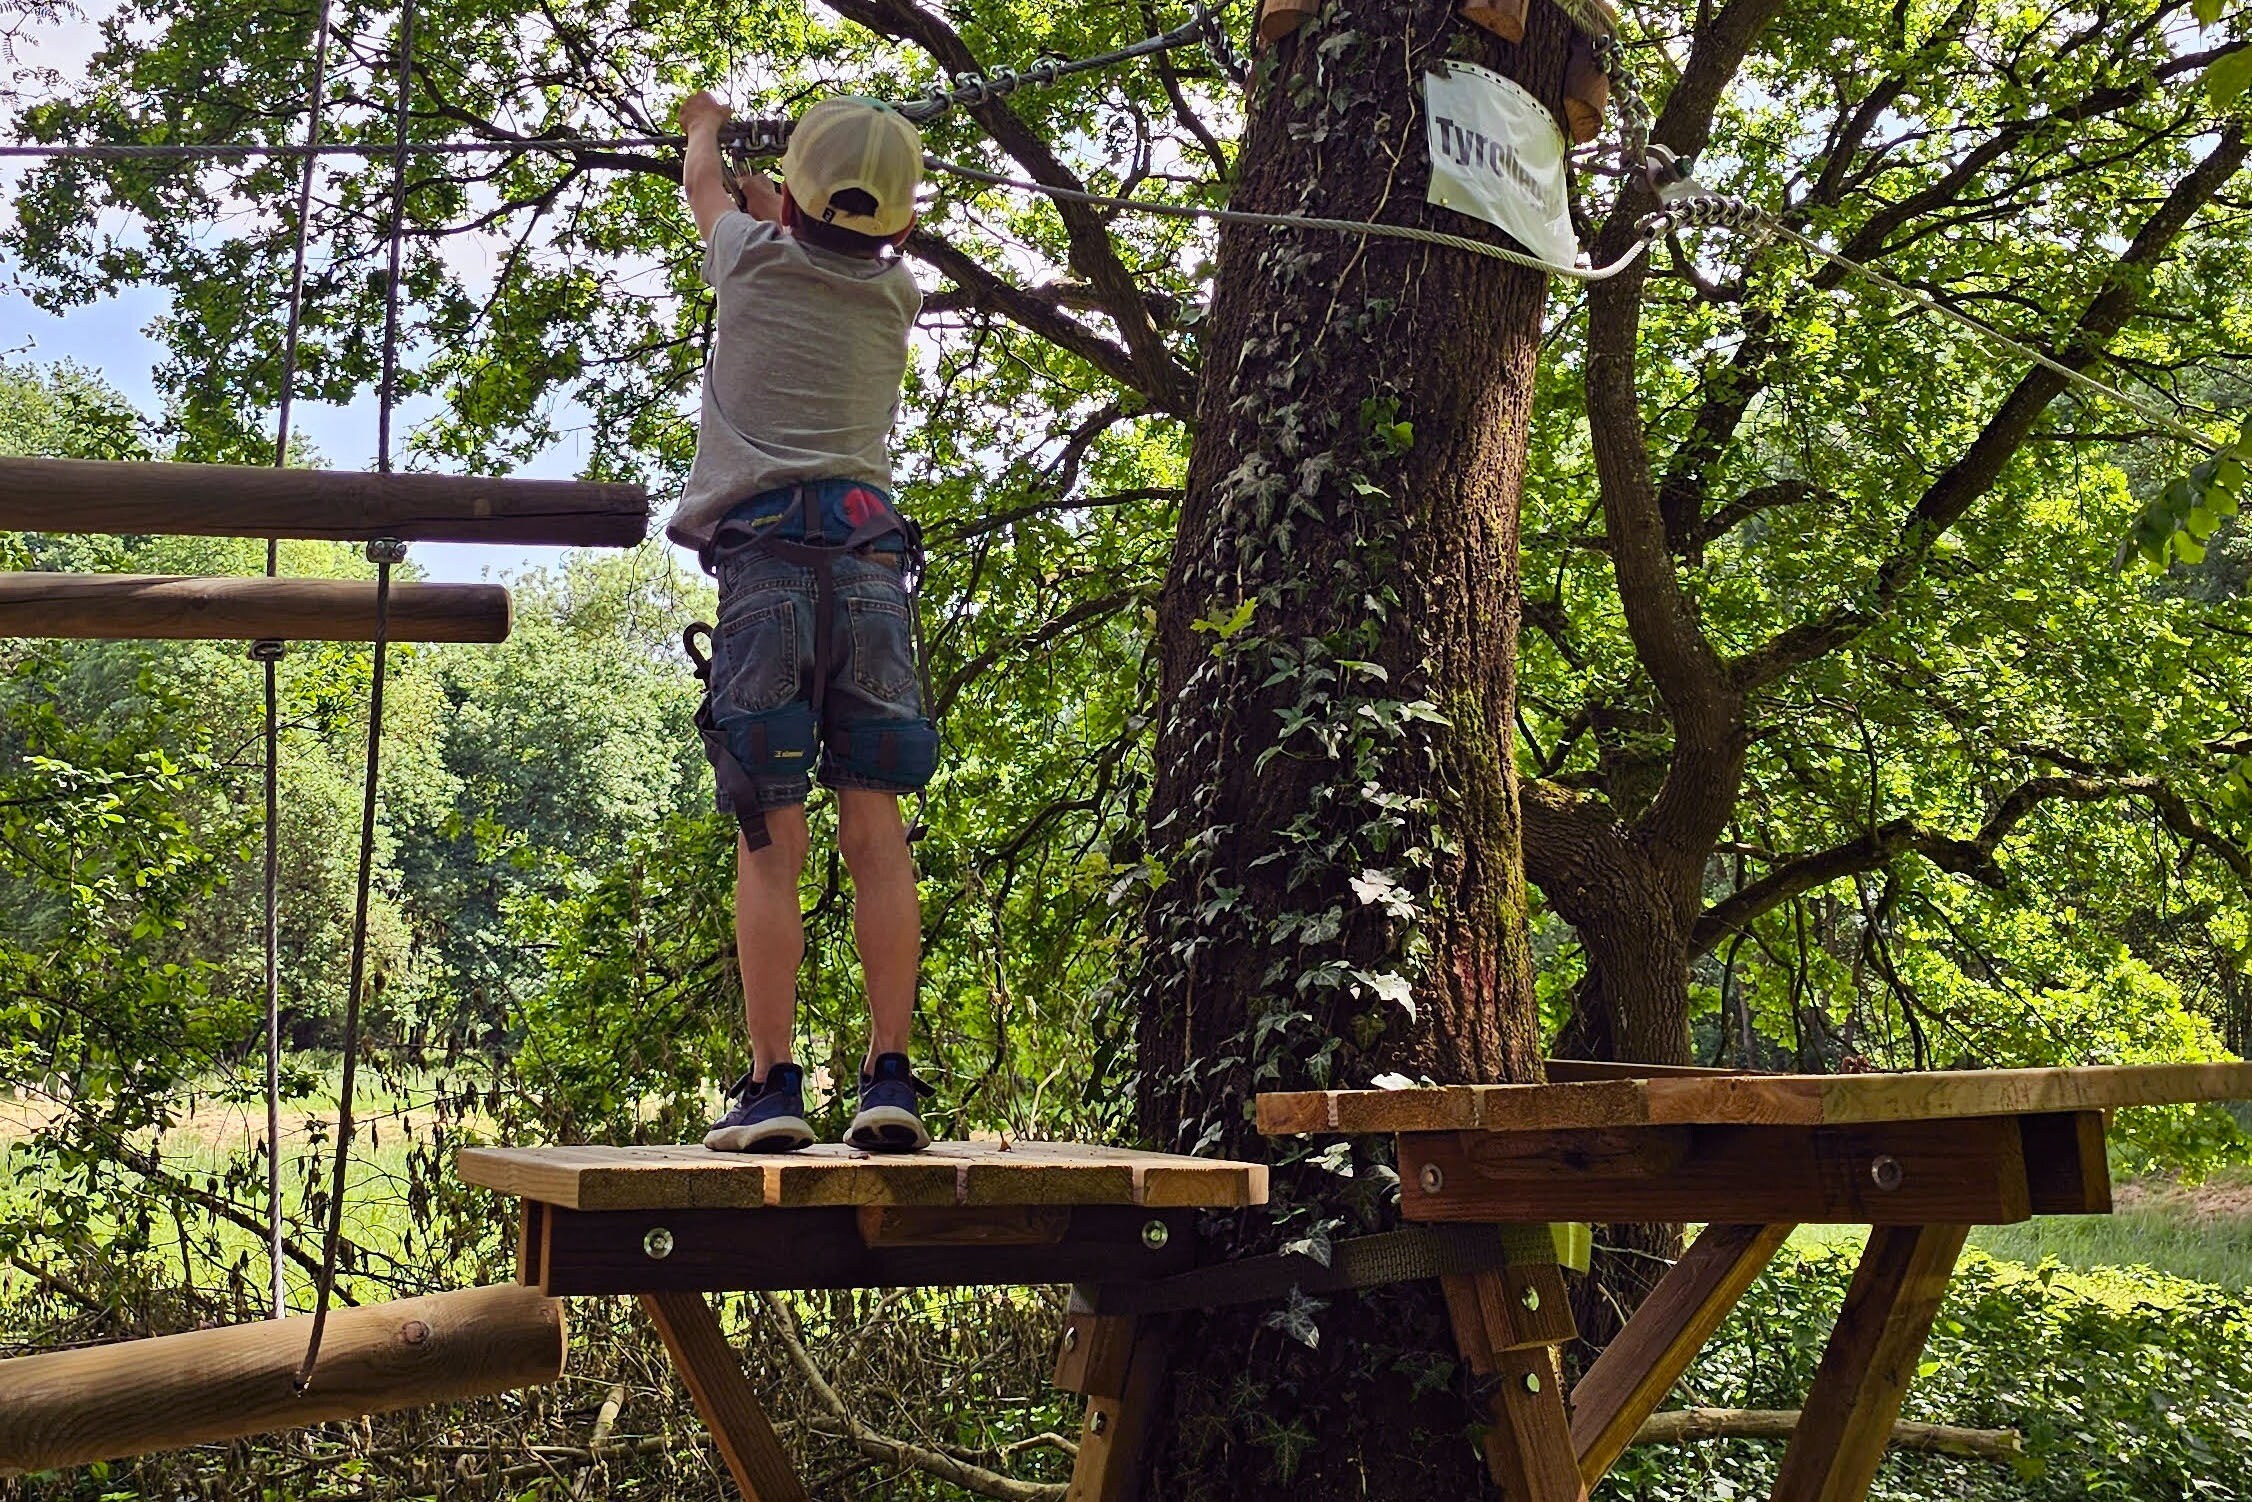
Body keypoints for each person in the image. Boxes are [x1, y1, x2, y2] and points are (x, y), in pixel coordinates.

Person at [670, 89, 938, 1154]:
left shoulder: (747, 257)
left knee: (771, 837)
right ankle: (889, 1077)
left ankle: (773, 1083)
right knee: (875, 831)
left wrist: (705, 125)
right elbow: (832, 243)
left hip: (766, 568)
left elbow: (703, 185)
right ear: (902, 227)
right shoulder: (900, 299)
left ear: (787, 205)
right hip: (870, 571)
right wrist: (782, 205)